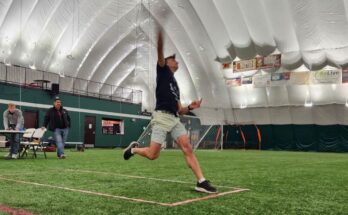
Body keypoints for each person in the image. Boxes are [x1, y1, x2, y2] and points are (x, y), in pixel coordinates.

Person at [123, 31, 217, 193]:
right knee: (153, 155)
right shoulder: (162, 71)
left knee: (187, 147)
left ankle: (201, 181)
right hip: (161, 117)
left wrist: (191, 107)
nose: (177, 61)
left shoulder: (175, 85)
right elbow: (160, 53)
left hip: (174, 119)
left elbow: (180, 110)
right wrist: (160, 39)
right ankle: (134, 149)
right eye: (173, 59)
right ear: (166, 63)